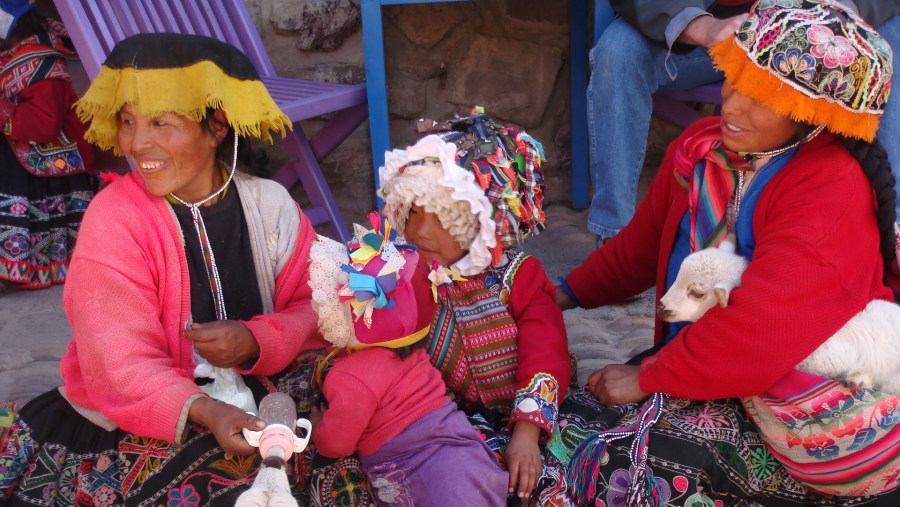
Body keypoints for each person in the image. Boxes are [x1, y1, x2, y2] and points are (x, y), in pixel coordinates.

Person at [555, 0, 900, 504]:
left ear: (812, 111)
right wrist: (564, 293)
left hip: (799, 401)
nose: (732, 105)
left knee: (620, 469)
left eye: (760, 96)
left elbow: (761, 328)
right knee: (570, 427)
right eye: (733, 79)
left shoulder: (833, 187)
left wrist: (648, 377)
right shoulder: (700, 151)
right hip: (707, 365)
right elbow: (641, 248)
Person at [0, 33, 343, 506]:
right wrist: (204, 409)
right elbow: (116, 361)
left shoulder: (270, 205)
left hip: (265, 397)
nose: (138, 143)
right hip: (149, 412)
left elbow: (319, 306)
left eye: (161, 122)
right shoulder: (114, 219)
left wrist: (258, 339)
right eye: (127, 122)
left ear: (217, 125)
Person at [588, 0, 900, 246]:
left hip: (810, 37)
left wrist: (839, 12)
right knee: (619, 54)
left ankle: (892, 234)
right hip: (705, 33)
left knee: (890, 44)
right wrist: (699, 25)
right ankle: (615, 234)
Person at [377, 110, 572, 504]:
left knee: (541, 482)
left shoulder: (519, 275)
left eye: (443, 219)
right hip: (453, 417)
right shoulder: (407, 275)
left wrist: (527, 431)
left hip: (530, 420)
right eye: (413, 213)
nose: (420, 232)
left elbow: (545, 350)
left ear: (480, 222)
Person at [306, 219, 509, 506]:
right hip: (464, 451)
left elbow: (337, 443)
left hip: (424, 473)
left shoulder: (348, 376)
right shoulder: (412, 354)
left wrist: (318, 428)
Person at [0, 0, 96, 290]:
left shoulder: (41, 61)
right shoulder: (15, 56)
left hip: (45, 155)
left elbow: (44, 125)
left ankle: (20, 264)